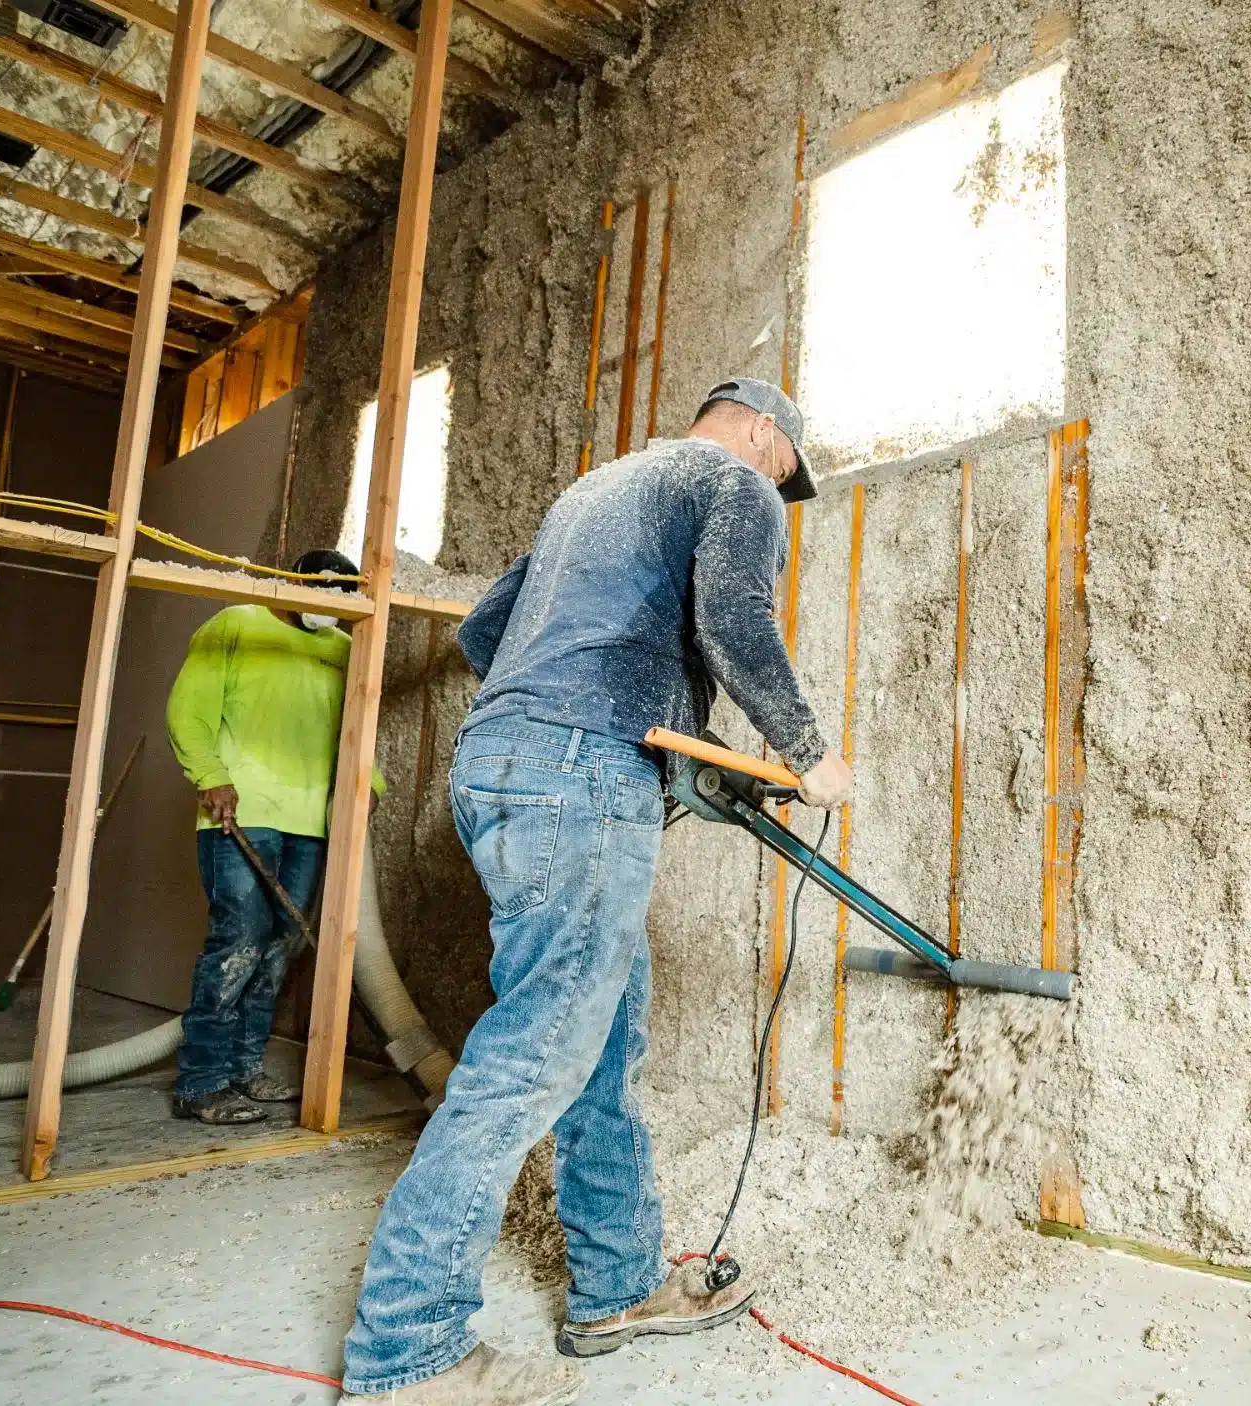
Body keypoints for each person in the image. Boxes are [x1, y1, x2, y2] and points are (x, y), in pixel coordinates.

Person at [341, 379, 856, 1403]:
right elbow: (734, 620)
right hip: (581, 773)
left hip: (508, 761)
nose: (775, 485)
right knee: (531, 1054)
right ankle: (405, 1346)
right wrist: (809, 751)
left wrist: (601, 704)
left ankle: (615, 1287)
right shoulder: (731, 481)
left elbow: (481, 637)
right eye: (783, 467)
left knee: (601, 1043)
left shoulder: (594, 492)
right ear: (760, 430)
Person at [163, 548, 367, 1125]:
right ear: (295, 585)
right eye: (326, 596)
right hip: (241, 812)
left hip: (309, 823)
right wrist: (210, 775)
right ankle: (200, 1082)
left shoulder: (345, 649)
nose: (333, 611)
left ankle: (244, 1070)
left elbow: (358, 726)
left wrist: (366, 781)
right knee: (238, 942)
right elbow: (189, 708)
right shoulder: (236, 623)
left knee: (279, 950)